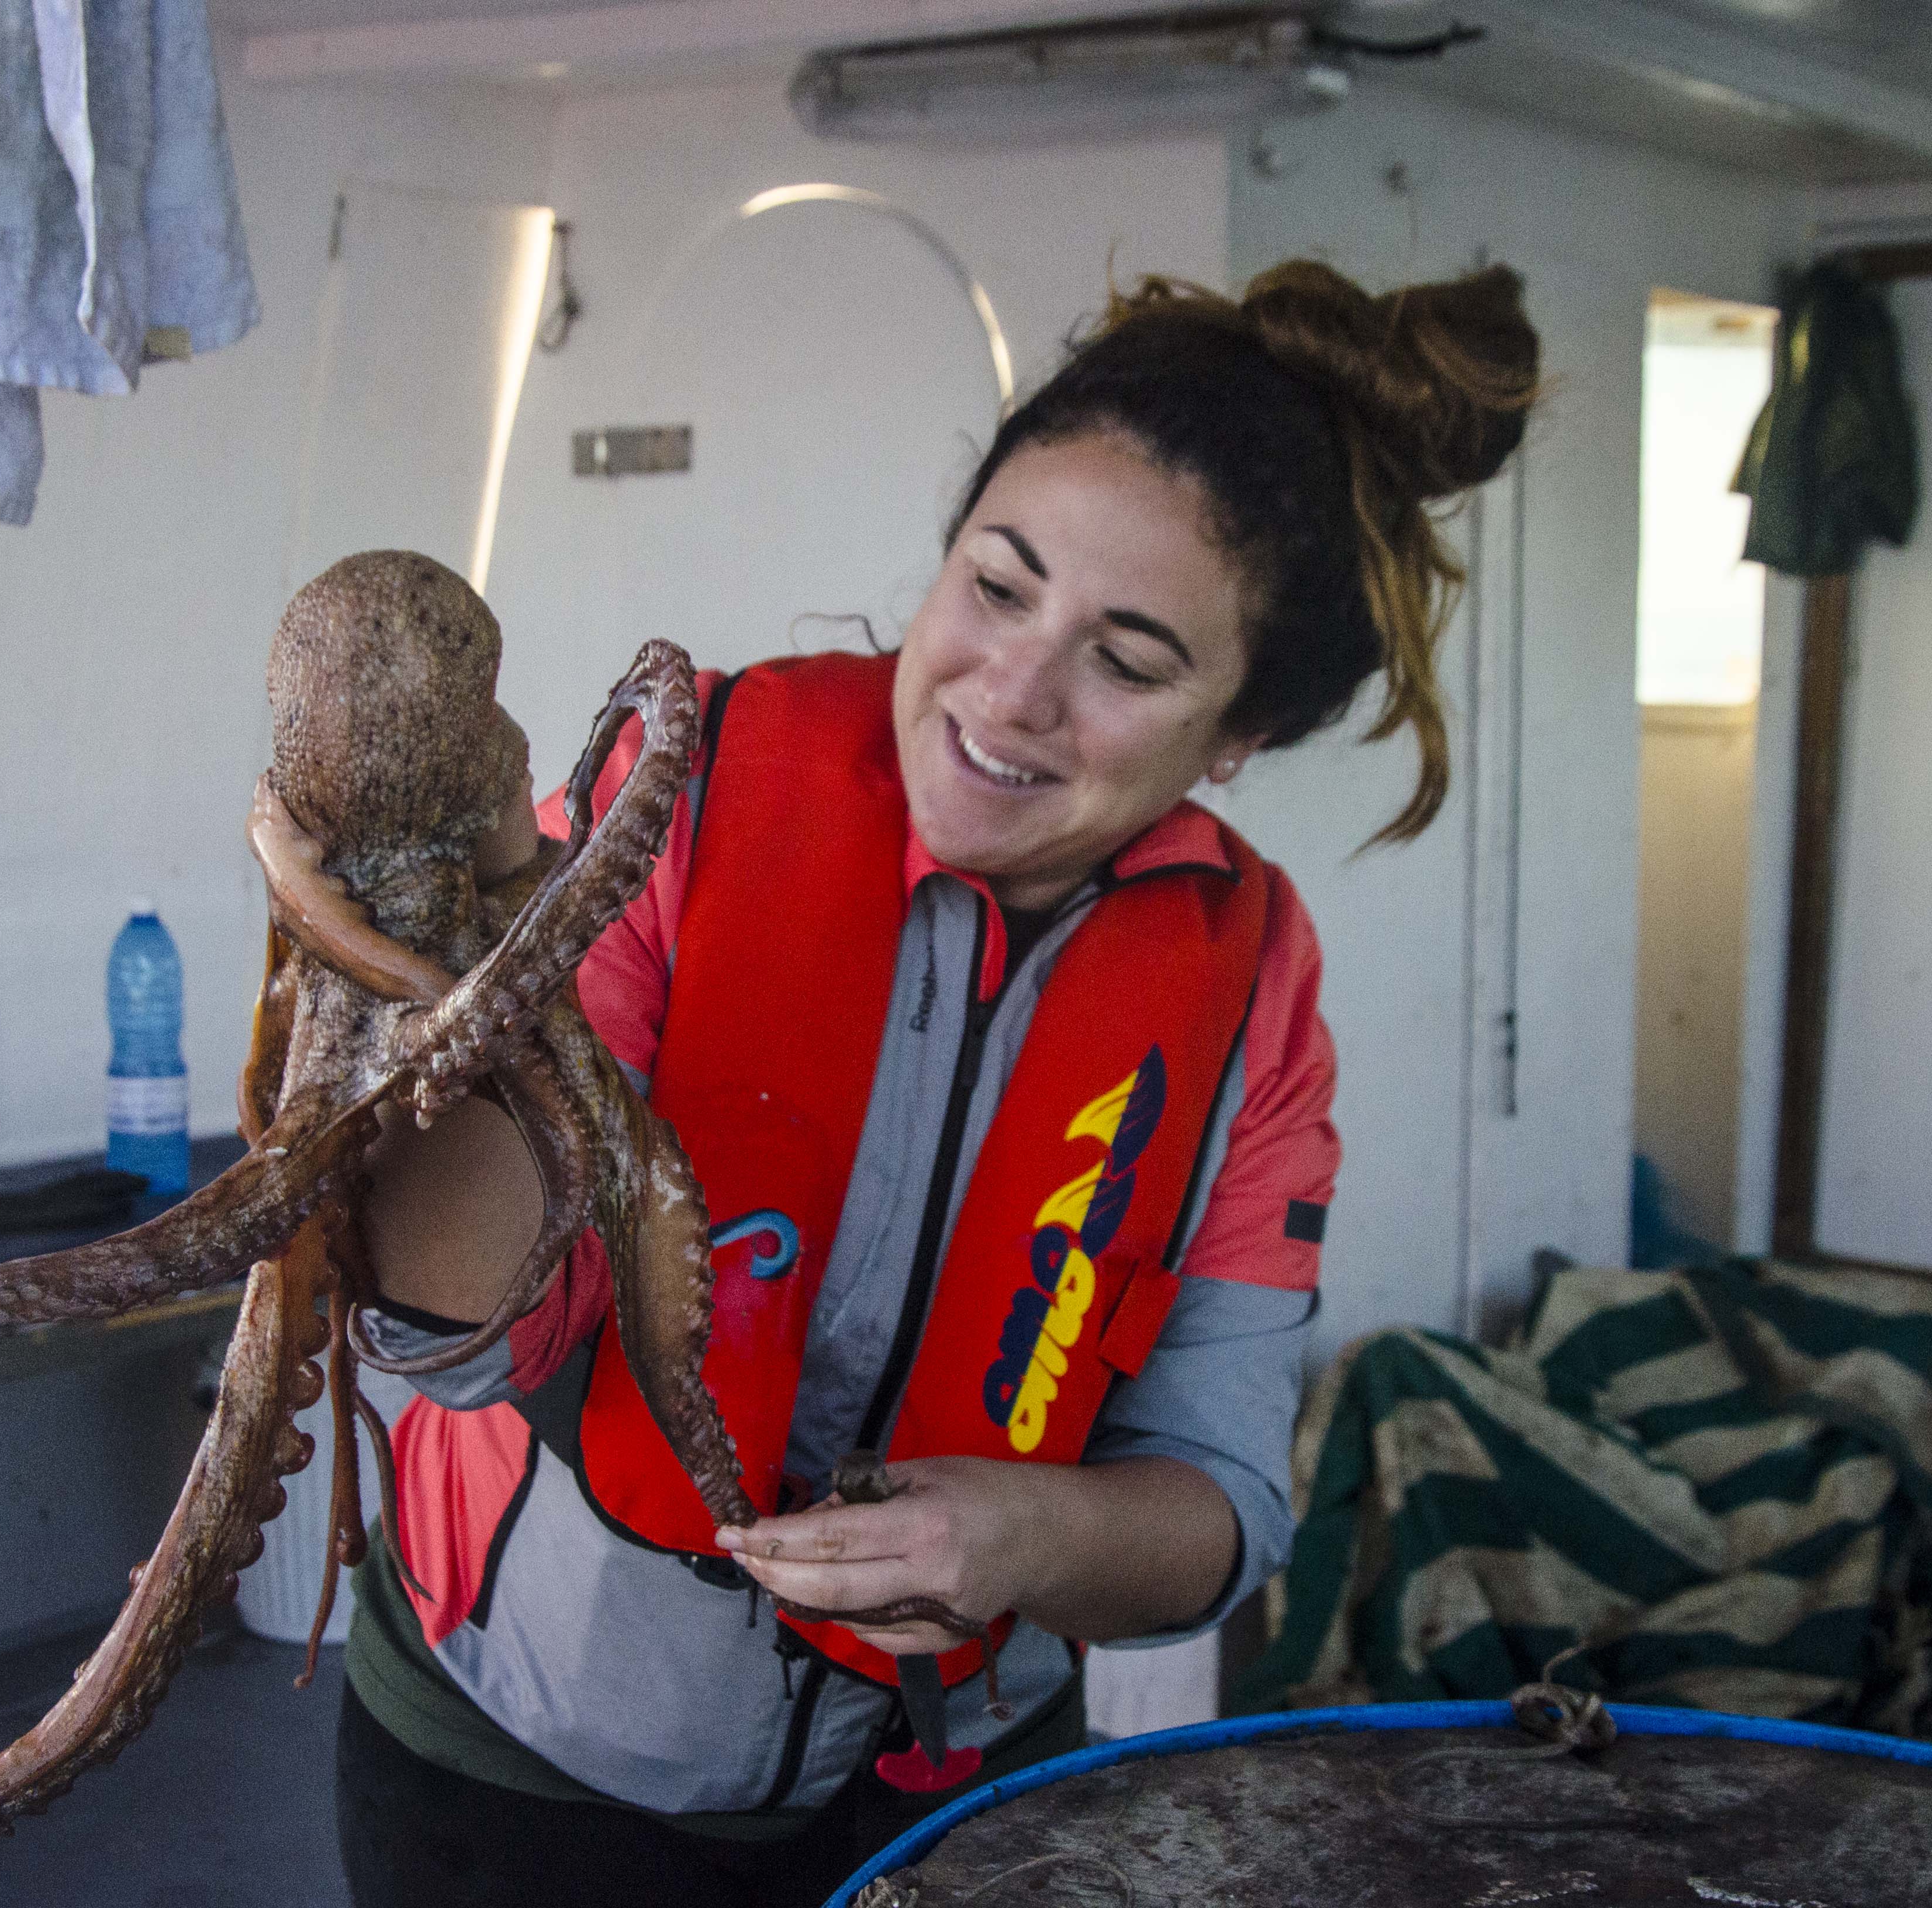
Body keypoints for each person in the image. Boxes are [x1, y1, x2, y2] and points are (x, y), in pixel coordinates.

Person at [329, 257, 1539, 1907]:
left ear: (1240, 733)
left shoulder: (1254, 989)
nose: (1011, 693)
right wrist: (426, 986)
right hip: (523, 1773)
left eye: (1129, 661)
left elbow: (1222, 1500)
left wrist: (1018, 1541)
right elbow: (479, 1335)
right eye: (1000, 583)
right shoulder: (673, 804)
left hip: (958, 1799)